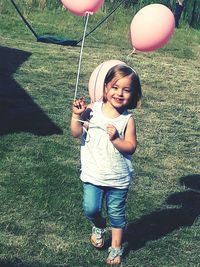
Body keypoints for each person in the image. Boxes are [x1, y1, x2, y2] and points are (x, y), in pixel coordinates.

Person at [70, 64, 142, 265]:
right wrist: (77, 116)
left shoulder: (127, 119)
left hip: (117, 179)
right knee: (91, 209)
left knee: (116, 214)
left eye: (126, 90)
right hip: (93, 175)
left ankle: (116, 248)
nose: (119, 93)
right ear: (105, 89)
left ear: (133, 94)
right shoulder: (92, 110)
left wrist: (116, 139)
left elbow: (131, 147)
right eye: (115, 87)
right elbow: (76, 133)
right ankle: (98, 226)